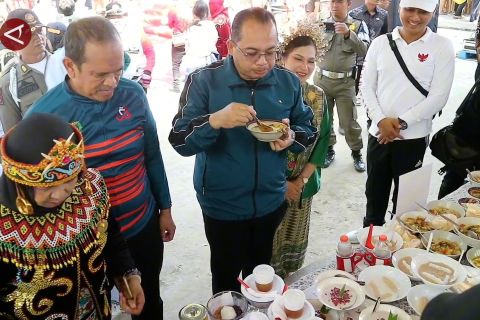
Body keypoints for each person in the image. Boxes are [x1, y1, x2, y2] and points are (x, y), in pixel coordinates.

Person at [26, 16, 175, 320]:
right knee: (95, 307)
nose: (112, 82)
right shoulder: (45, 117)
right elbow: (37, 194)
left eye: (118, 71)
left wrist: (165, 208)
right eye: (100, 74)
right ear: (70, 66)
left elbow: (152, 154)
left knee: (149, 302)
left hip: (142, 222)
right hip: (88, 240)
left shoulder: (133, 95)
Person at [169, 7, 317, 293]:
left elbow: (308, 128)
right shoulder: (204, 81)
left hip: (271, 202)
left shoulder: (286, 82)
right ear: (230, 47)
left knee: (260, 276)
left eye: (271, 52)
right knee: (225, 281)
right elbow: (179, 140)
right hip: (221, 205)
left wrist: (291, 138)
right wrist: (214, 121)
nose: (263, 62)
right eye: (251, 53)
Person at [0, 113, 144, 318]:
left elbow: (110, 236)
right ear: (19, 182)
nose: (61, 194)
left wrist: (128, 275)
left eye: (70, 180)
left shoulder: (89, 189)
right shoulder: (3, 228)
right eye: (48, 185)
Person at [360, 0, 455, 226]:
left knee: (407, 207)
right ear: (400, 9)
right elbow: (365, 86)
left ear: (432, 13)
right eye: (410, 9)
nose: (415, 17)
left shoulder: (442, 46)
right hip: (378, 135)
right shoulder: (380, 44)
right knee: (374, 196)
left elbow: (439, 97)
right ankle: (371, 245)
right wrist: (381, 120)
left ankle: (400, 252)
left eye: (422, 11)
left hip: (413, 138)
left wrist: (400, 123)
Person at [270, 19, 331, 279]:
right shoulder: (266, 93)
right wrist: (282, 184)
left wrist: (301, 180)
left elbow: (323, 141)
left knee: (292, 249)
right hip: (268, 189)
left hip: (303, 188)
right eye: (298, 58)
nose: (305, 67)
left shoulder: (318, 96)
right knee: (265, 249)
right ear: (282, 57)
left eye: (311, 61)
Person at [313, 0, 369, 172]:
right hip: (322, 81)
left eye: (339, 1)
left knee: (348, 121)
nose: (334, 5)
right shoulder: (320, 24)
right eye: (332, 1)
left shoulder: (357, 25)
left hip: (345, 83)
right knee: (324, 121)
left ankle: (356, 152)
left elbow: (365, 50)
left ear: (348, 3)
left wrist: (348, 34)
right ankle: (329, 150)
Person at [0, 9, 60, 137]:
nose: (38, 37)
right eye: (29, 34)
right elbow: (13, 135)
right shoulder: (9, 82)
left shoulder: (64, 64)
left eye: (39, 30)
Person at [349, 0, 388, 94]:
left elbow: (383, 35)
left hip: (375, 55)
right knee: (355, 87)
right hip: (357, 56)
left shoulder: (383, 14)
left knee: (373, 86)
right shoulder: (354, 14)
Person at [181, 0, 219, 76]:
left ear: (194, 12)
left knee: (192, 86)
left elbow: (187, 47)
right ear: (206, 12)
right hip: (206, 62)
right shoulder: (210, 25)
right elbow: (214, 42)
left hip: (191, 62)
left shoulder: (191, 27)